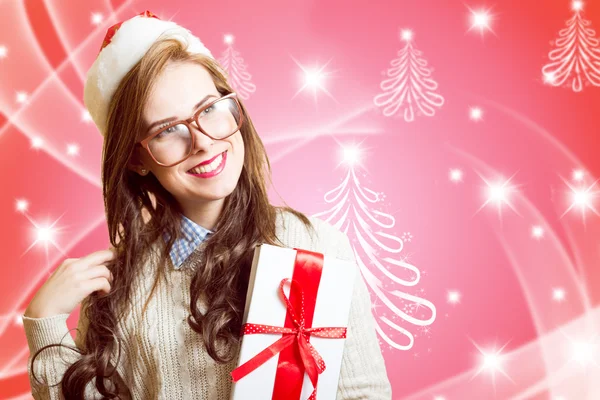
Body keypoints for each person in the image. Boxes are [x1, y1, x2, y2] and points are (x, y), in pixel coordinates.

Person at [21, 10, 392, 400]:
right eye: (167, 130)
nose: (202, 141)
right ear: (137, 159)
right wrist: (44, 321)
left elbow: (363, 394)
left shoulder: (315, 246)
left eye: (210, 108)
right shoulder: (115, 288)